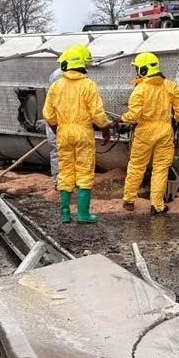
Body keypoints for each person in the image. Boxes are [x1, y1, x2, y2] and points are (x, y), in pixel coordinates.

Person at [42, 44, 110, 224]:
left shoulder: (56, 86)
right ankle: (83, 214)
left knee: (65, 171)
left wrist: (58, 130)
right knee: (84, 171)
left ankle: (65, 214)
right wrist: (105, 129)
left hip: (63, 132)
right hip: (83, 132)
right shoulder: (88, 85)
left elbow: (48, 114)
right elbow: (97, 113)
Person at [119, 52, 179, 215]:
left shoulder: (140, 89)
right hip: (165, 131)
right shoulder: (170, 86)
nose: (136, 72)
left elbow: (133, 115)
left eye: (137, 68)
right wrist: (176, 120)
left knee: (136, 166)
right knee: (161, 168)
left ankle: (129, 200)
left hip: (144, 132)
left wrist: (122, 119)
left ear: (143, 70)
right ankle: (157, 205)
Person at [44, 62, 65, 180]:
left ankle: (59, 179)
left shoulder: (57, 75)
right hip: (59, 122)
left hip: (59, 123)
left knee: (58, 150)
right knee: (58, 150)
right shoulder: (60, 77)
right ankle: (58, 178)